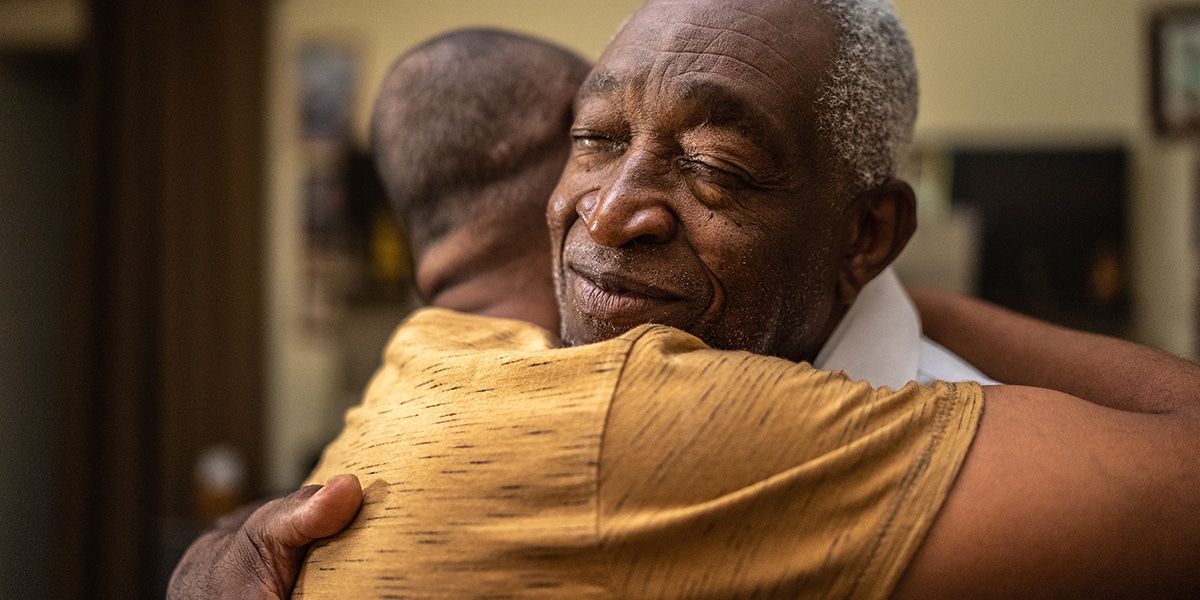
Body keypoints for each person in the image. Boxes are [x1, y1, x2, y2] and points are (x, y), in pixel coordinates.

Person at [171, 3, 1200, 598]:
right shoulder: (526, 389)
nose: (613, 213)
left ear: (865, 233)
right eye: (597, 138)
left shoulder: (982, 464)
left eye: (714, 162)